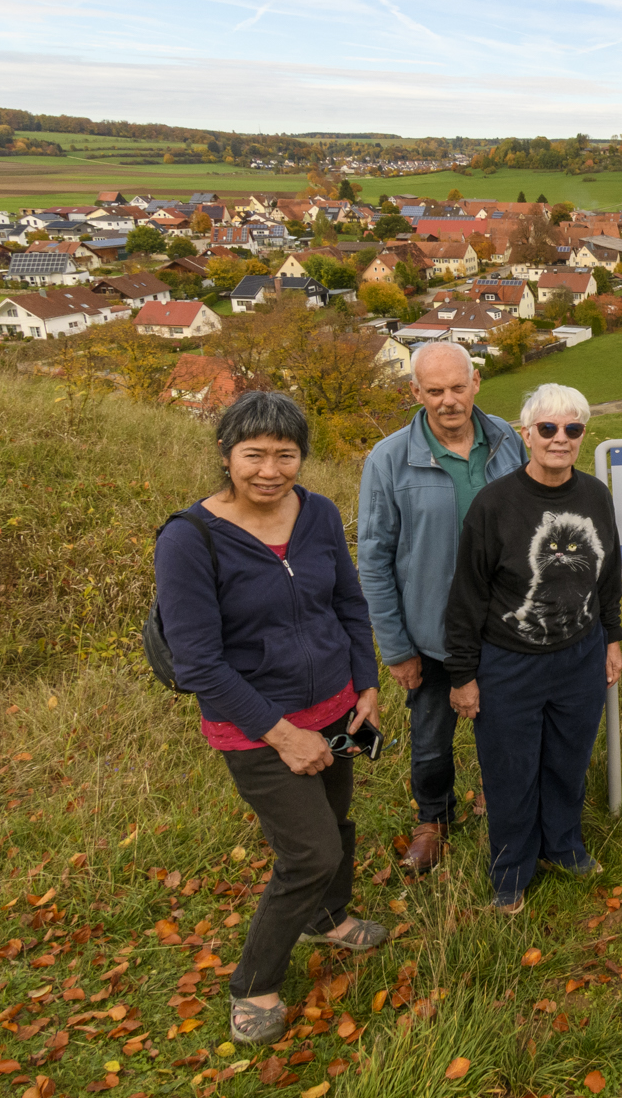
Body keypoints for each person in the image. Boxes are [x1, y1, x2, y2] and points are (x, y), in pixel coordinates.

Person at [153, 391, 387, 1046]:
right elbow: (198, 662)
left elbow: (347, 600)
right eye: (253, 454)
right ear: (226, 455)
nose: (270, 469)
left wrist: (364, 684)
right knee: (309, 852)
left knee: (336, 821)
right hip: (256, 726)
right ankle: (253, 983)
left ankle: (330, 919)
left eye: (286, 454)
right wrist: (284, 736)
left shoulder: (317, 513)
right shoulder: (188, 539)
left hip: (338, 707)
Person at [444, 384, 622, 913]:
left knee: (568, 761)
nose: (560, 439)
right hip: (509, 663)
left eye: (572, 429)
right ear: (526, 435)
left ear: (583, 435)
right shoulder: (494, 505)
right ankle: (511, 870)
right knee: (511, 770)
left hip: (579, 655)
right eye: (547, 429)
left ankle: (564, 847)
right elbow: (466, 596)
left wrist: (611, 638)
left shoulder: (595, 495)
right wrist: (462, 674)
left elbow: (608, 575)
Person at [358, 341, 525, 873]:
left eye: (457, 387)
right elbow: (375, 560)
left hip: (504, 627)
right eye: (435, 391)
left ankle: (501, 806)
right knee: (430, 740)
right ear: (416, 393)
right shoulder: (387, 459)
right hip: (429, 635)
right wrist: (397, 649)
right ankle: (434, 819)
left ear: (476, 381)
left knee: (507, 728)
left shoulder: (507, 442)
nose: (449, 400)